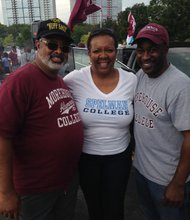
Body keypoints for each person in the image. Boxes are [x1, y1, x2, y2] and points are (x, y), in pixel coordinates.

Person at [0, 18, 83, 220]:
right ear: (38, 45)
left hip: (64, 184)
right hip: (34, 190)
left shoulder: (59, 80)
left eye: (64, 47)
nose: (58, 51)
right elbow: (2, 137)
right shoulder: (19, 81)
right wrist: (5, 192)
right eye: (52, 45)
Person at [64, 28, 137, 220]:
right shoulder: (74, 79)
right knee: (94, 209)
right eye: (97, 51)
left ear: (116, 52)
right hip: (86, 160)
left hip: (119, 159)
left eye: (109, 50)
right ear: (88, 54)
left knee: (115, 209)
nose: (103, 55)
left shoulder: (131, 80)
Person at [132, 23, 190, 220]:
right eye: (141, 51)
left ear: (165, 50)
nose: (145, 56)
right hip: (142, 172)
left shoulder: (180, 86)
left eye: (153, 50)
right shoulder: (141, 75)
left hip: (167, 181)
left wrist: (178, 184)